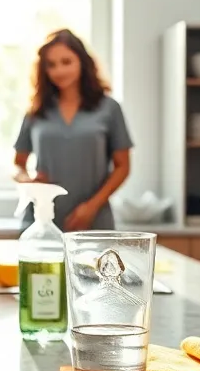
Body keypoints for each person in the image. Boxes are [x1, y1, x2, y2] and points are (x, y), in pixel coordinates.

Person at [13, 29, 133, 231]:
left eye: (66, 62)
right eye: (51, 65)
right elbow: (18, 164)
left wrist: (91, 207)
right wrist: (28, 180)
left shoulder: (109, 108)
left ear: (82, 62)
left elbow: (123, 166)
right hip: (40, 222)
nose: (59, 71)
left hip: (94, 222)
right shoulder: (37, 111)